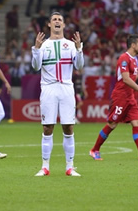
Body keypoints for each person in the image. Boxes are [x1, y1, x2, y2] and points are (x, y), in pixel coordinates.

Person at [89, 34, 138, 161]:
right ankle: (94, 150)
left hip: (130, 97)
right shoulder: (124, 58)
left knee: (137, 122)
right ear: (133, 45)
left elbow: (133, 77)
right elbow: (126, 79)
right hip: (120, 96)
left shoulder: (135, 60)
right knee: (112, 124)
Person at [31, 12, 84, 177]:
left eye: (60, 20)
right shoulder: (43, 44)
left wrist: (79, 49)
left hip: (66, 88)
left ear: (64, 25)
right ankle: (45, 167)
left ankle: (70, 167)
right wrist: (36, 49)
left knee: (69, 127)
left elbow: (79, 66)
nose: (57, 22)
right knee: (48, 127)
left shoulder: (70, 44)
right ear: (49, 24)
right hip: (48, 89)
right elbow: (35, 67)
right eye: (54, 19)